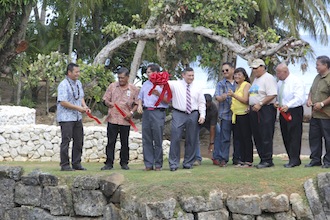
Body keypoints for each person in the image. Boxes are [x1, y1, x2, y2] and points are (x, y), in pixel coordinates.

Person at [168, 67, 206, 171]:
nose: (191, 77)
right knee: (175, 137)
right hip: (178, 113)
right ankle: (173, 163)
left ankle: (188, 162)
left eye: (193, 75)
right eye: (189, 75)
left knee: (191, 139)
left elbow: (201, 102)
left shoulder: (197, 87)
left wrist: (202, 115)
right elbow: (162, 83)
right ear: (183, 75)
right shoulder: (175, 84)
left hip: (193, 113)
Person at [101, 67, 139, 170]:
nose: (120, 80)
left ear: (127, 77)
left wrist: (131, 113)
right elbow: (105, 99)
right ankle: (109, 163)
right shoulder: (112, 86)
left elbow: (136, 103)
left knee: (124, 142)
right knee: (111, 141)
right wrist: (108, 103)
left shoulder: (133, 89)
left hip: (125, 120)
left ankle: (124, 163)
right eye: (119, 78)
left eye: (122, 78)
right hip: (113, 118)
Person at [57, 63, 90, 171]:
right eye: (76, 72)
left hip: (77, 117)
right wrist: (78, 108)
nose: (78, 74)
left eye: (78, 72)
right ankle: (65, 165)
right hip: (66, 118)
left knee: (79, 140)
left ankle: (77, 163)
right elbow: (63, 102)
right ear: (69, 72)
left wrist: (84, 107)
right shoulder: (63, 84)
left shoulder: (78, 83)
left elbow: (81, 97)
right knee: (66, 140)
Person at [137, 64, 169, 171]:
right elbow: (140, 97)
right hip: (147, 112)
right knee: (147, 139)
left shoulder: (163, 84)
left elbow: (168, 100)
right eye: (147, 72)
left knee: (157, 138)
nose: (147, 74)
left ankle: (158, 164)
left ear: (156, 72)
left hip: (158, 112)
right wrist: (140, 105)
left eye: (149, 72)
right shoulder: (145, 84)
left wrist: (158, 94)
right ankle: (148, 164)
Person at [274, 63, 305, 168]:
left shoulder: (296, 81)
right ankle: (291, 157)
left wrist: (288, 105)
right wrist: (277, 102)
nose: (277, 74)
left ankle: (295, 159)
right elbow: (279, 96)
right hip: (283, 110)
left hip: (294, 110)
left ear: (285, 71)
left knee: (294, 135)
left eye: (279, 72)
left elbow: (300, 98)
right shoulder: (279, 83)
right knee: (285, 134)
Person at [248, 58, 277, 169]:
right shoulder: (256, 79)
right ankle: (262, 158)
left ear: (262, 67)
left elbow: (272, 94)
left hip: (265, 109)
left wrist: (260, 103)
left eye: (256, 68)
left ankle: (267, 159)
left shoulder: (268, 78)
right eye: (253, 69)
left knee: (265, 134)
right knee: (257, 135)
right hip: (254, 110)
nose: (254, 70)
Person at [305, 55, 330, 168]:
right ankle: (315, 160)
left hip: (326, 115)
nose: (316, 67)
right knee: (314, 138)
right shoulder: (317, 77)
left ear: (325, 65)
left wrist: (322, 103)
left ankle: (328, 161)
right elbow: (311, 90)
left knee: (328, 139)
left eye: (318, 65)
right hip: (315, 115)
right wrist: (309, 99)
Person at [214, 62, 240, 167]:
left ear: (233, 70)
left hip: (238, 114)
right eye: (223, 70)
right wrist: (224, 96)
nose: (225, 72)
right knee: (225, 138)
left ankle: (237, 158)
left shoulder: (239, 83)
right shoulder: (221, 84)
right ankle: (223, 159)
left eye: (227, 70)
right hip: (225, 115)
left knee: (238, 138)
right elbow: (218, 97)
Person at [228, 67, 253, 168]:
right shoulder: (237, 86)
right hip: (236, 115)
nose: (237, 76)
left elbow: (246, 100)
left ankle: (248, 160)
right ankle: (241, 159)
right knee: (238, 138)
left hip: (244, 114)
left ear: (244, 76)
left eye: (239, 74)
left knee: (246, 137)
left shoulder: (246, 85)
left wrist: (233, 95)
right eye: (236, 74)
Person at [194, 94, 220, 166]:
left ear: (210, 102)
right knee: (194, 135)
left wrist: (211, 143)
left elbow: (213, 127)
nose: (206, 105)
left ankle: (216, 157)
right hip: (198, 122)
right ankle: (197, 158)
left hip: (209, 123)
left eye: (208, 103)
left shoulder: (214, 108)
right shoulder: (196, 106)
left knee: (219, 132)